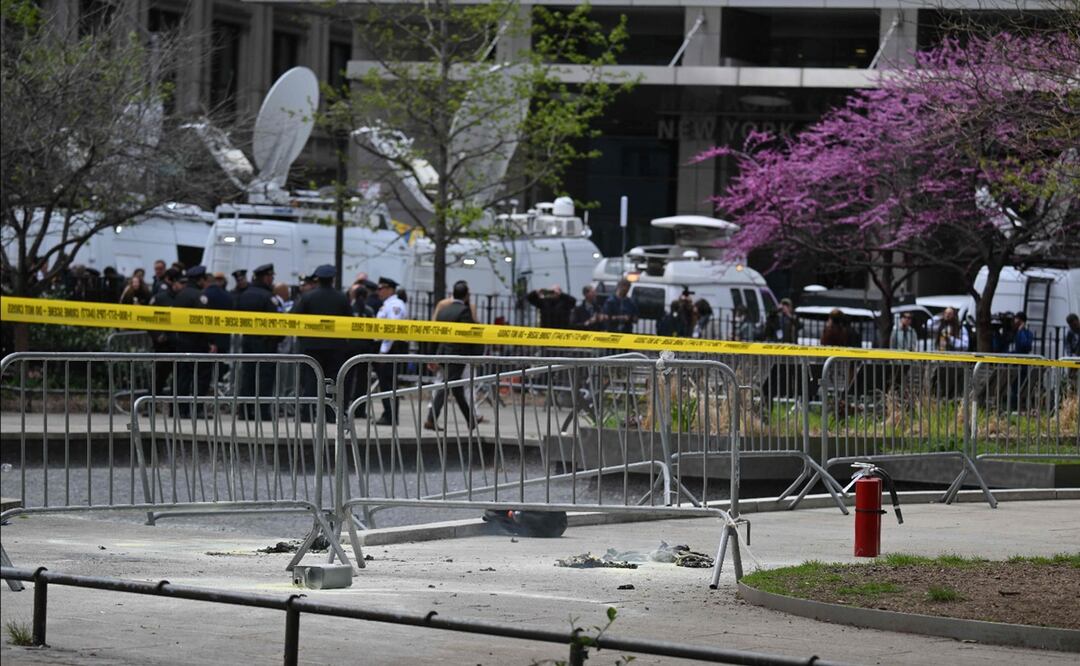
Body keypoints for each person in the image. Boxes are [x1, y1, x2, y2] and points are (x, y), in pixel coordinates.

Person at [291, 265, 353, 420]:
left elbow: (294, 318)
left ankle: (308, 415)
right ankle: (333, 415)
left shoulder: (307, 297)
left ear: (317, 279)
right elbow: (350, 321)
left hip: (312, 347)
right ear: (333, 279)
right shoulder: (342, 298)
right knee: (333, 382)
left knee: (311, 380)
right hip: (335, 347)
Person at [424, 280, 483, 431]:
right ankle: (431, 418)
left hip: (443, 353)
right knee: (447, 386)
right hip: (457, 355)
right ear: (466, 295)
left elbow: (435, 334)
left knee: (455, 388)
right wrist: (476, 355)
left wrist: (432, 355)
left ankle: (471, 420)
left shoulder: (444, 310)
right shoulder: (464, 310)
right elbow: (469, 335)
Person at [235, 264, 280, 415]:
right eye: (271, 276)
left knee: (248, 375)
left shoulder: (245, 294)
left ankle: (244, 411)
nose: (272, 279)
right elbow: (276, 322)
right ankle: (263, 411)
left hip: (247, 340)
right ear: (265, 277)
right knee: (265, 377)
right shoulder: (268, 297)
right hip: (265, 343)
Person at [172, 266, 219, 404]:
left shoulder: (180, 294)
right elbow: (204, 321)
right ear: (200, 280)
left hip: (181, 341)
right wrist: (211, 341)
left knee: (183, 375)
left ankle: (180, 408)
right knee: (201, 376)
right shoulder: (200, 296)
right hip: (198, 342)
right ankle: (197, 408)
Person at [372, 276, 409, 425]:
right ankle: (389, 413)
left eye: (381, 289)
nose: (379, 292)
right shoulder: (387, 304)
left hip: (390, 348)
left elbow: (392, 329)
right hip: (385, 348)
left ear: (390, 289)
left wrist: (384, 351)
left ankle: (391, 415)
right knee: (386, 383)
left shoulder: (395, 304)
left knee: (389, 383)